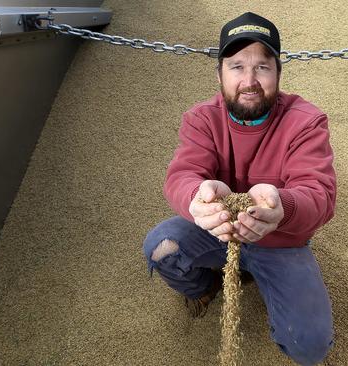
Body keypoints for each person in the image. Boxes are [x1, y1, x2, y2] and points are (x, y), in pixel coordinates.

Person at [142, 12, 336, 365]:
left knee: (309, 344)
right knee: (160, 248)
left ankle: (261, 275)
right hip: (218, 231)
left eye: (262, 67)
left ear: (278, 73)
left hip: (280, 241)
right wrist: (197, 199)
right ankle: (205, 288)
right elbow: (182, 174)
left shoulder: (306, 121)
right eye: (236, 66)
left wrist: (282, 209)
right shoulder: (201, 118)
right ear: (219, 74)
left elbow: (319, 192)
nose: (249, 80)